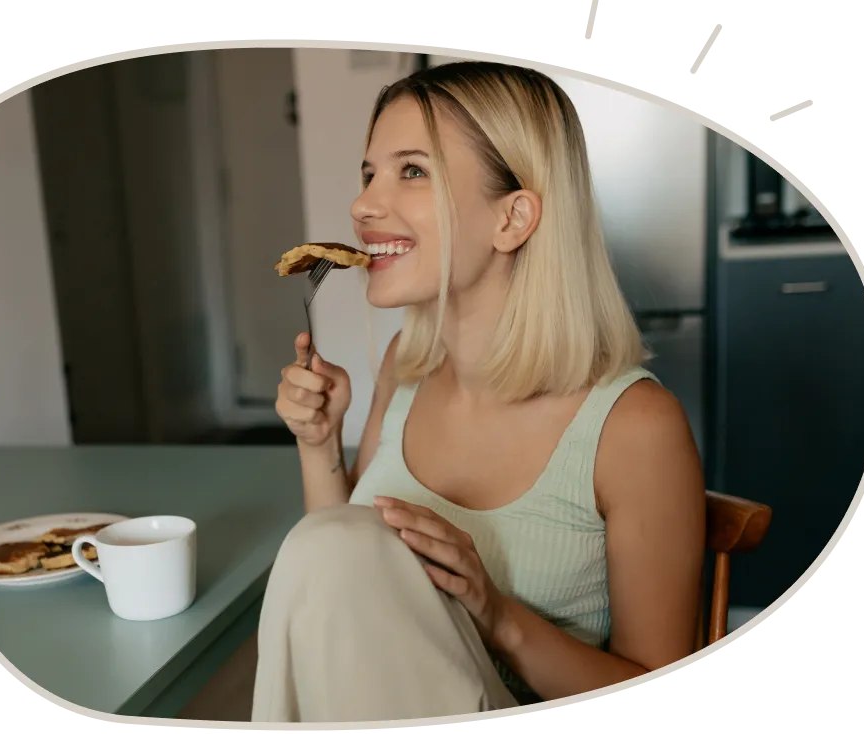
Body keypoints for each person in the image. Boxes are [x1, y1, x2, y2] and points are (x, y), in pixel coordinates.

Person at [251, 60, 706, 723]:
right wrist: (319, 443)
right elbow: (343, 590)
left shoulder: (634, 427)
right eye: (368, 172)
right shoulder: (405, 365)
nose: (363, 205)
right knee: (332, 549)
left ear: (512, 218)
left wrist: (498, 615)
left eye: (412, 171)